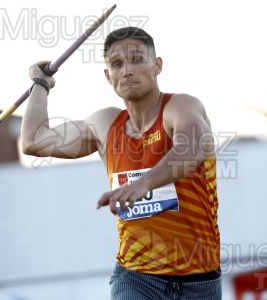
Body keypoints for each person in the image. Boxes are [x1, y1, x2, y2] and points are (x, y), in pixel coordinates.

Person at [21, 26, 221, 300]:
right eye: (117, 64)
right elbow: (34, 140)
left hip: (200, 281)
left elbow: (196, 146)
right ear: (108, 76)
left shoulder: (181, 107)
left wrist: (144, 184)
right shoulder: (104, 125)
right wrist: (40, 85)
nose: (127, 70)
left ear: (156, 65)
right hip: (135, 278)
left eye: (137, 59)